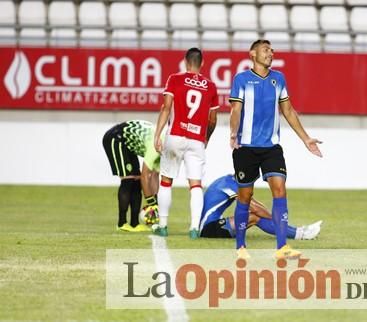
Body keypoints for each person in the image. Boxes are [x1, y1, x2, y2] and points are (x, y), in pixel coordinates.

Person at [229, 39, 322, 260]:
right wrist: (233, 133)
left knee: (280, 190)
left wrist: (306, 139)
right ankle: (240, 247)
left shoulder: (278, 79)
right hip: (246, 147)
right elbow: (235, 109)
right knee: (245, 195)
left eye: (271, 50)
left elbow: (288, 111)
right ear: (252, 54)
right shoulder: (241, 79)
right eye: (265, 50)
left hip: (271, 147)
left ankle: (282, 247)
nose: (270, 53)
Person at [153, 47, 219, 239]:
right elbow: (213, 119)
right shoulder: (210, 86)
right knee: (196, 185)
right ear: (202, 63)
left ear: (185, 61)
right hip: (197, 139)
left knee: (166, 181)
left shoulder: (174, 79)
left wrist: (157, 135)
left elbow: (166, 108)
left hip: (175, 135)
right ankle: (194, 228)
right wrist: (207, 137)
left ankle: (163, 225)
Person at [199, 174, 322, 240]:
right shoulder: (231, 185)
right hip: (208, 229)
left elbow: (255, 204)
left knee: (255, 215)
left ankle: (297, 232)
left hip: (213, 224)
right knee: (254, 217)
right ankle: (299, 234)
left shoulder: (230, 180)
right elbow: (255, 209)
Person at [102, 120, 161, 232]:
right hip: (115, 138)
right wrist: (151, 203)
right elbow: (145, 175)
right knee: (128, 179)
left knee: (136, 180)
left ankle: (135, 223)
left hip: (127, 143)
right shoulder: (155, 146)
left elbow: (154, 175)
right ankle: (122, 223)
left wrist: (156, 203)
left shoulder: (164, 151)